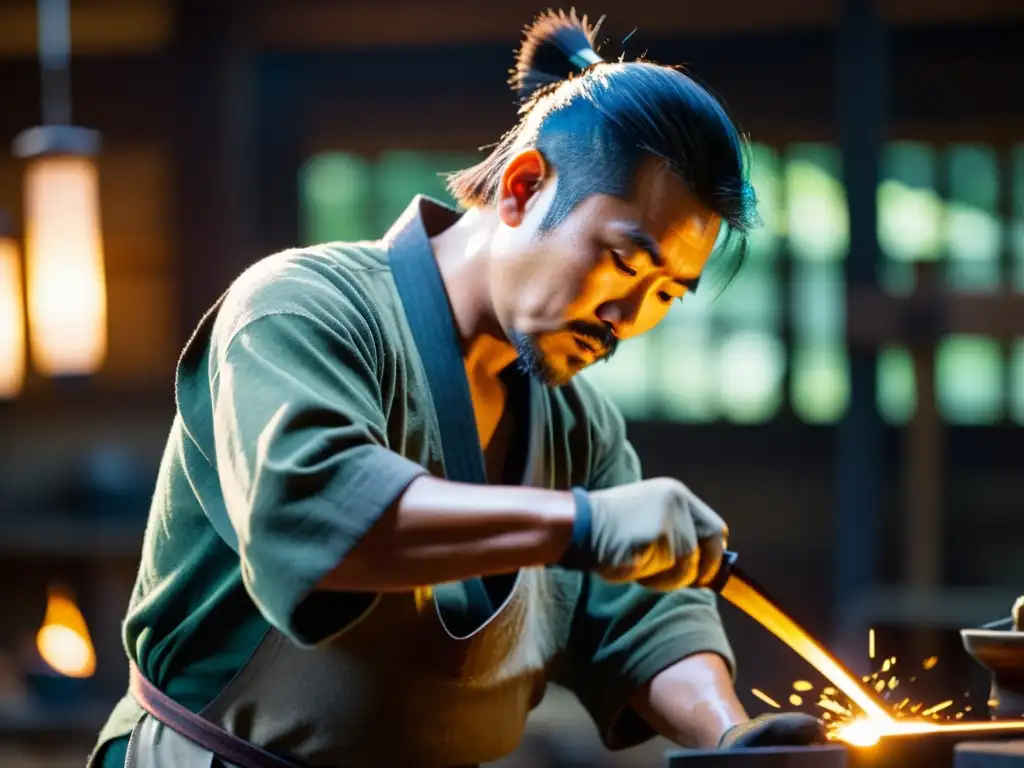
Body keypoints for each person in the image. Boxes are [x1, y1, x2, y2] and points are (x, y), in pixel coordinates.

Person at [90, 9, 826, 767]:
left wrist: (730, 735)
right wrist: (580, 525)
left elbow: (641, 619)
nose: (627, 317)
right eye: (624, 262)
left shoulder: (580, 427)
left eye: (668, 294)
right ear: (523, 186)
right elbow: (314, 512)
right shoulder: (301, 307)